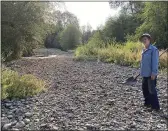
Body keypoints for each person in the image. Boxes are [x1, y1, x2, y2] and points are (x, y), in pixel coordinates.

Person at [140, 33, 160, 111]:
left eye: (145, 39)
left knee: (151, 90)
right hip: (144, 73)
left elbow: (155, 62)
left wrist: (154, 73)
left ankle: (155, 106)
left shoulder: (154, 49)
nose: (144, 41)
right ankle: (147, 103)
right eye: (143, 39)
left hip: (151, 74)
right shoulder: (143, 50)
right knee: (144, 88)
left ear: (149, 40)